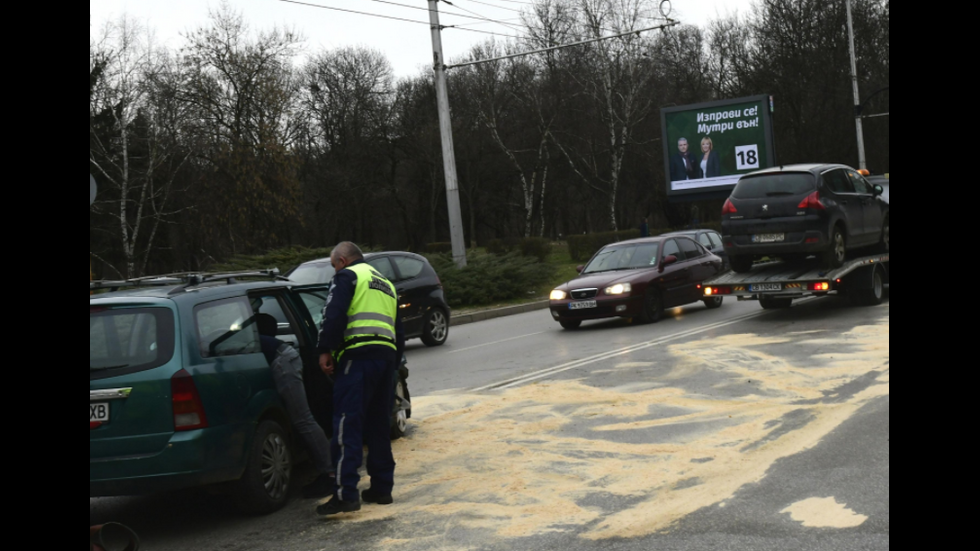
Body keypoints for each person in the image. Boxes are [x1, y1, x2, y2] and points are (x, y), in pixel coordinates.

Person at [315, 241, 405, 516]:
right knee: (378, 425)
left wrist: (325, 349)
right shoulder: (385, 284)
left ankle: (346, 495)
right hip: (385, 360)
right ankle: (381, 489)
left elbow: (334, 314)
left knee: (347, 424)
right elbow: (397, 330)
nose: (334, 271)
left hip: (357, 358)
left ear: (342, 261)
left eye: (333, 266)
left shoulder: (347, 276)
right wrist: (394, 364)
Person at [255, 313, 336, 499]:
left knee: (302, 419)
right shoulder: (232, 337)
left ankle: (331, 474)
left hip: (284, 361)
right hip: (284, 357)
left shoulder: (229, 339)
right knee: (302, 419)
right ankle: (328, 470)